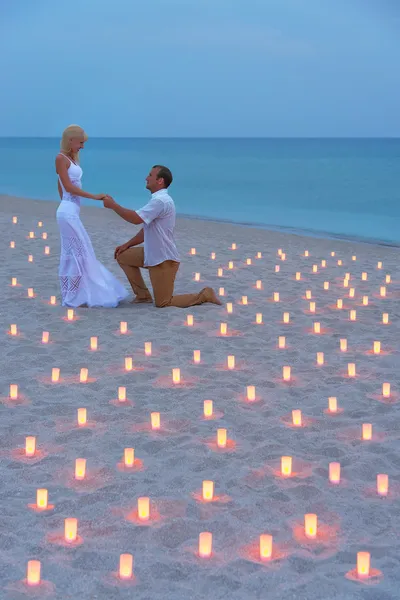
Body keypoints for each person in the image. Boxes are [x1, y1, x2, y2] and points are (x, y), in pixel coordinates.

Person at [103, 165, 222, 308]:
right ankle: (142, 296)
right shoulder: (157, 200)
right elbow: (145, 230)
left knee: (163, 303)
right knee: (122, 255)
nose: (146, 178)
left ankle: (205, 295)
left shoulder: (160, 201)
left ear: (160, 181)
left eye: (150, 175)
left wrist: (114, 205)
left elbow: (135, 219)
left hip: (164, 260)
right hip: (151, 254)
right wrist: (127, 245)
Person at [55, 124, 128, 307]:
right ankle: (73, 295)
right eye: (81, 142)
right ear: (70, 140)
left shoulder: (71, 160)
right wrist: (93, 196)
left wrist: (69, 201)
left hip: (71, 211)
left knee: (81, 251)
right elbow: (68, 186)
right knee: (77, 253)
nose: (82, 146)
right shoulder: (60, 158)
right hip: (66, 213)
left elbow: (64, 185)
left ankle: (78, 294)